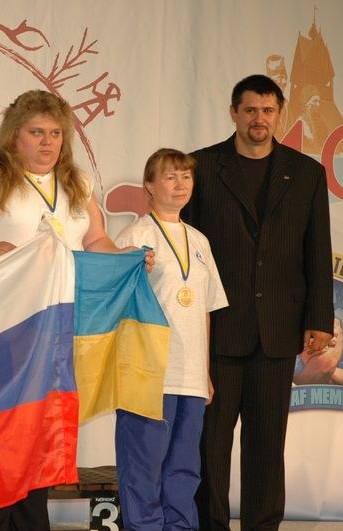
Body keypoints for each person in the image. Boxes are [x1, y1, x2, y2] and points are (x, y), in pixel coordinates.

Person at [0, 89, 152, 531]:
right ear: (15, 135)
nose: (48, 142)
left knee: (38, 432)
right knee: (3, 432)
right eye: (36, 133)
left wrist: (126, 258)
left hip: (57, 326)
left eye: (55, 133)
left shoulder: (77, 181)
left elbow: (95, 241)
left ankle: (28, 523)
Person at [183, 74, 334, 530]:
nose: (259, 119)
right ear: (234, 112)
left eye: (268, 110)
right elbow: (184, 247)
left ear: (279, 114)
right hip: (217, 330)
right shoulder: (202, 167)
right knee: (210, 445)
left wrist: (319, 318)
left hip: (278, 330)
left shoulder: (306, 173)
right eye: (250, 110)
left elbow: (317, 251)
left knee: (267, 445)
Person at [112, 148, 228, 529]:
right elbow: (117, 302)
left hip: (190, 375)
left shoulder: (200, 241)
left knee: (184, 469)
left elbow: (205, 309)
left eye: (186, 176)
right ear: (149, 185)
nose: (181, 184)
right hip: (148, 372)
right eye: (170, 176)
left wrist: (204, 372)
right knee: (143, 467)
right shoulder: (134, 236)